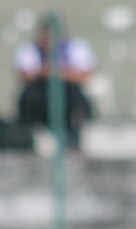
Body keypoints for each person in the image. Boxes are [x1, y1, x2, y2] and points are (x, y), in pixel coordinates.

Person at [15, 17, 96, 149]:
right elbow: (24, 74)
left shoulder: (76, 47)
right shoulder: (30, 49)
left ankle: (73, 140)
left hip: (68, 94)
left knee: (76, 100)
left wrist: (58, 73)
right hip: (39, 95)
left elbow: (85, 74)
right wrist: (47, 73)